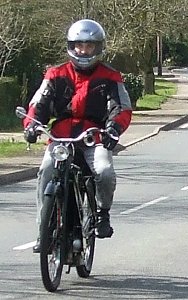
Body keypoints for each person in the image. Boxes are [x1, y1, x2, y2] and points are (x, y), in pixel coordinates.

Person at [23, 19, 132, 253]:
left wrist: (114, 129)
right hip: (61, 139)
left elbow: (121, 108)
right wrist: (31, 125)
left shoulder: (110, 76)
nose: (84, 51)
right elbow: (39, 104)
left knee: (103, 171)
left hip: (95, 137)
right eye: (80, 45)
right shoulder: (55, 74)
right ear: (72, 46)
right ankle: (43, 231)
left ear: (98, 48)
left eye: (89, 46)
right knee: (46, 172)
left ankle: (102, 213)